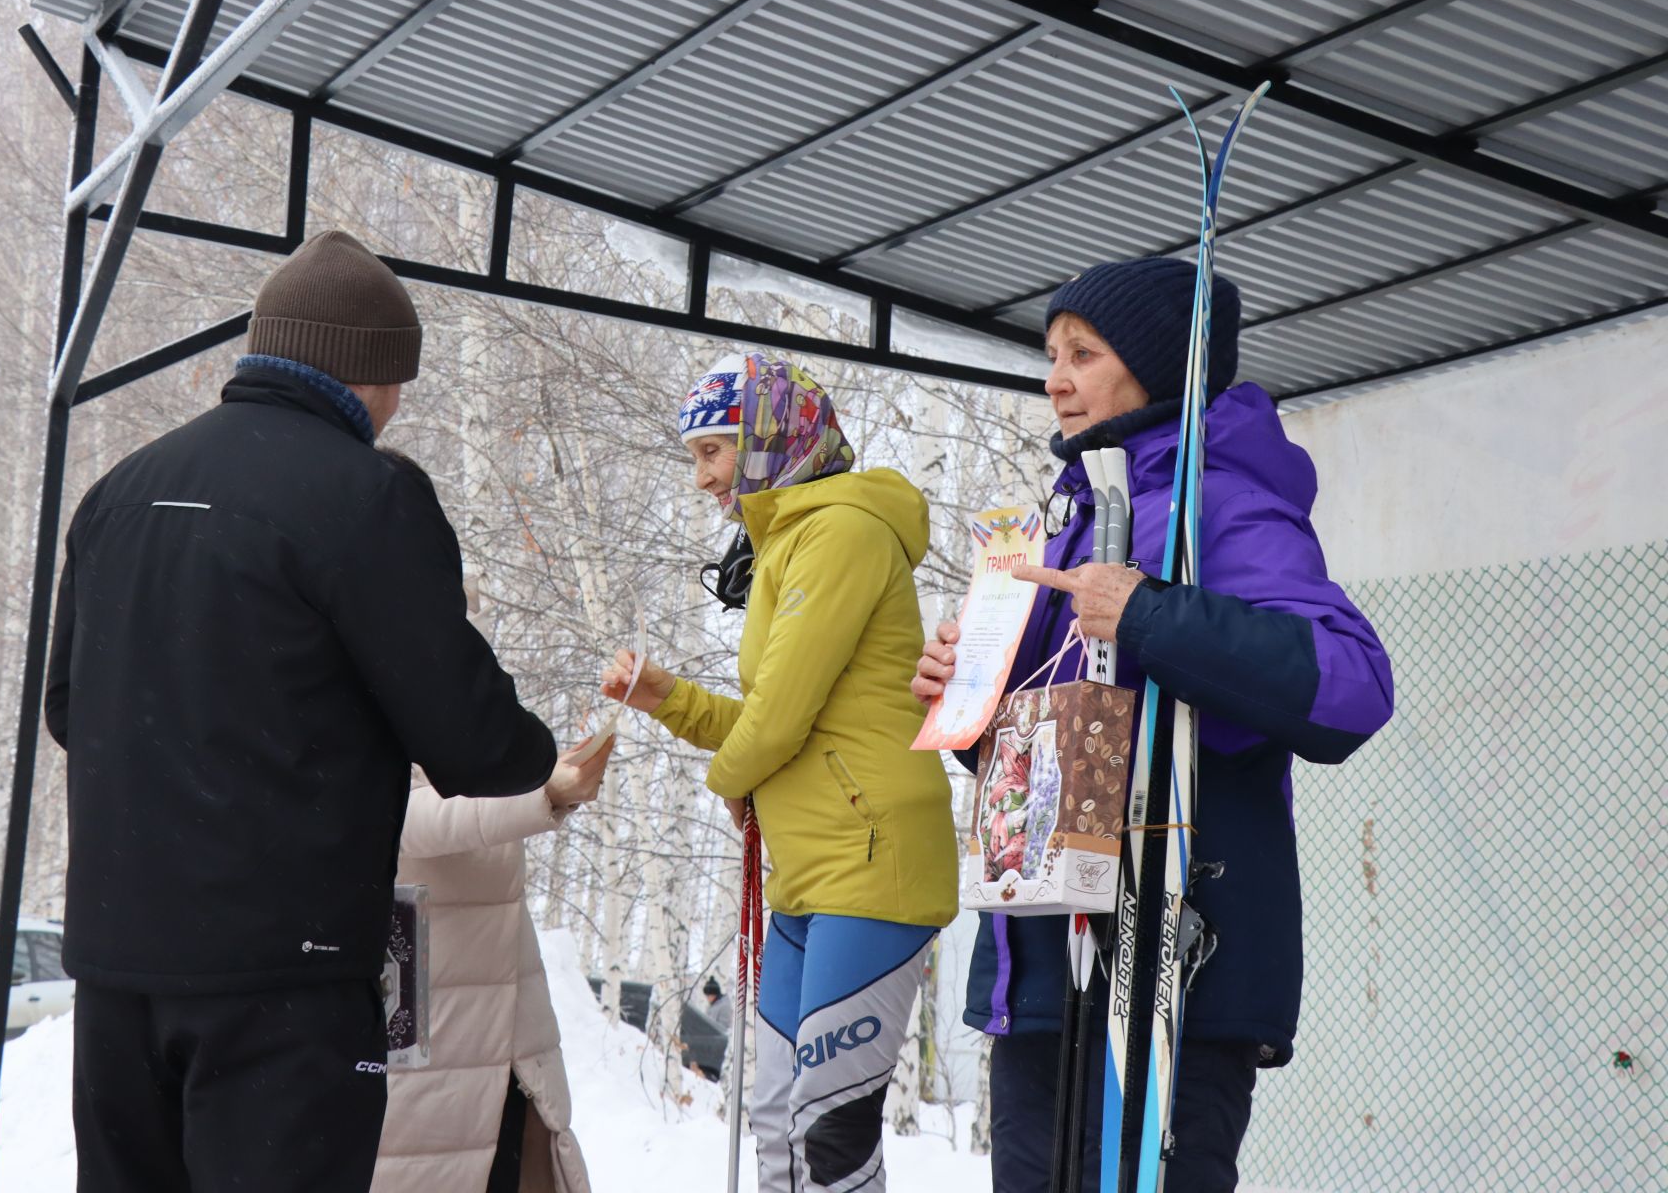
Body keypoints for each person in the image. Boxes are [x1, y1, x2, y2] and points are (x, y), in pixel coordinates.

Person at [45, 230, 605, 1193]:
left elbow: (67, 709)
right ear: (372, 377)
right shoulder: (367, 497)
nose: (393, 413)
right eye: (399, 388)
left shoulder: (118, 491)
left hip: (117, 962)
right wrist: (534, 748)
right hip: (283, 980)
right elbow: (476, 746)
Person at [911, 257, 1395, 1193]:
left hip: (1168, 965)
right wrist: (970, 708)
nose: (1056, 378)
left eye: (1083, 354)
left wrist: (1151, 613)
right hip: (1042, 966)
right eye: (1051, 354)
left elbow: (1352, 686)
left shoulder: (1222, 500)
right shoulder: (1066, 517)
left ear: (1161, 365)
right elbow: (1079, 742)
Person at [599, 354, 958, 1193]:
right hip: (808, 873)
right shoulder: (790, 540)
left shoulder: (842, 532)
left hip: (870, 869)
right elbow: (775, 728)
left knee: (829, 1135)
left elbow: (779, 721)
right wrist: (666, 699)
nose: (701, 479)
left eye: (712, 453)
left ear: (766, 443)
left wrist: (733, 779)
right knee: (774, 1125)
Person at [372, 577, 597, 1193]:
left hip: (503, 1023)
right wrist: (543, 796)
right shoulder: (352, 688)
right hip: (422, 1006)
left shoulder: (458, 703)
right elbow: (400, 819)